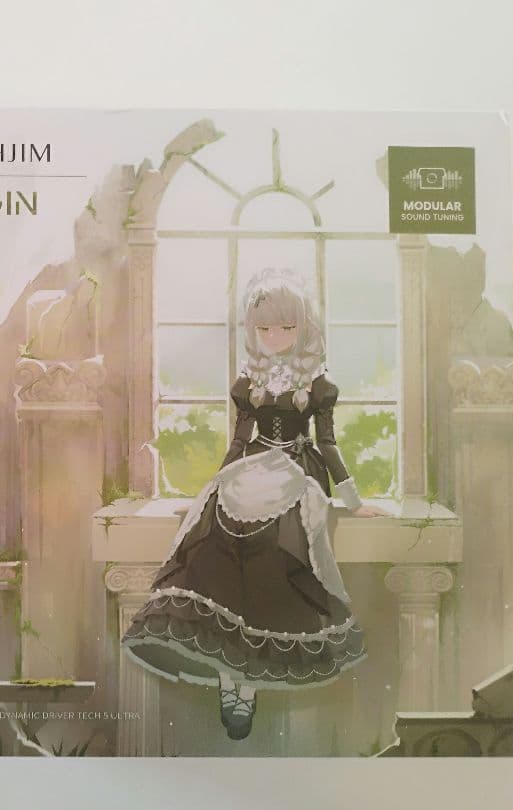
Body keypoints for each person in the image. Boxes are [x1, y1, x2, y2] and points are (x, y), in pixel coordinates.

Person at [122, 267, 387, 740]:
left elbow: (327, 444)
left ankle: (246, 674)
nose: (275, 336)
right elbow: (239, 441)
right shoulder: (249, 383)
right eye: (264, 328)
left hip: (300, 470)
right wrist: (212, 489)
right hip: (251, 467)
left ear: (303, 326)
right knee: (217, 546)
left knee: (273, 557)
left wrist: (351, 500)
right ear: (252, 330)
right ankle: (232, 675)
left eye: (286, 326)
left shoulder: (318, 384)